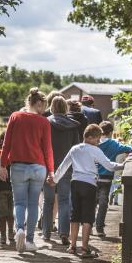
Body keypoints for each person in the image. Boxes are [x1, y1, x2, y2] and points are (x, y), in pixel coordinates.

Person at [53, 124, 125, 258]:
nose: (99, 142)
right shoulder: (94, 150)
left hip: (75, 183)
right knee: (88, 217)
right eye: (97, 139)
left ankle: (72, 246)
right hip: (89, 184)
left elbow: (63, 166)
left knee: (75, 215)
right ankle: (85, 248)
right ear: (90, 137)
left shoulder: (74, 148)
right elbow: (109, 166)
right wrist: (123, 165)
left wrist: (55, 179)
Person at [0, 87, 55, 253]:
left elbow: (6, 143)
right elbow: (47, 149)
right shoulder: (44, 122)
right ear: (38, 103)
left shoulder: (15, 117)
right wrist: (51, 171)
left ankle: (19, 230)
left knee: (19, 203)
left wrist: (3, 165)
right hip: (38, 168)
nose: (44, 110)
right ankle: (30, 240)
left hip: (18, 167)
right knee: (33, 205)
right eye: (43, 106)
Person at [42, 96, 81, 245]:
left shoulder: (46, 123)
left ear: (51, 108)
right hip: (66, 169)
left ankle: (46, 233)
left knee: (48, 201)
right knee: (64, 200)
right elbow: (76, 150)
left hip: (48, 168)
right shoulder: (73, 126)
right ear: (66, 108)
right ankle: (64, 233)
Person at [95, 121, 132, 236]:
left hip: (92, 176)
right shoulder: (113, 144)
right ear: (111, 132)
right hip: (106, 177)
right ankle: (99, 227)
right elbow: (129, 148)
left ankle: (88, 224)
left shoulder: (94, 143)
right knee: (103, 202)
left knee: (91, 202)